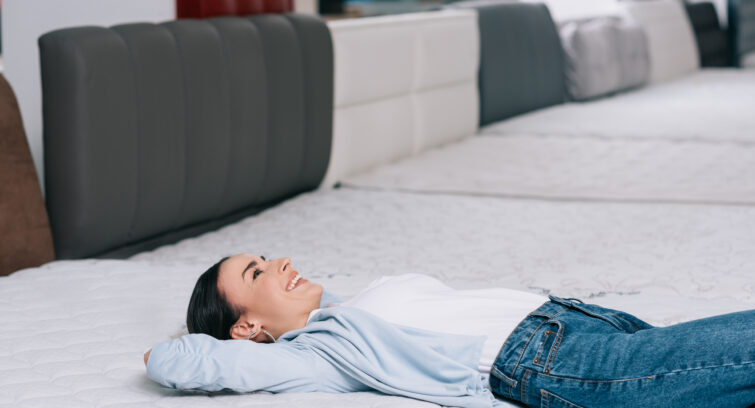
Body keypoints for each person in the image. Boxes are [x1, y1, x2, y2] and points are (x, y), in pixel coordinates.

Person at [144, 254, 755, 408]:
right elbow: (190, 363)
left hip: (573, 323)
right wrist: (162, 352)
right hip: (546, 359)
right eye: (256, 271)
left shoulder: (357, 305)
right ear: (248, 325)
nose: (278, 261)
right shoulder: (322, 352)